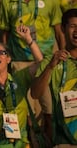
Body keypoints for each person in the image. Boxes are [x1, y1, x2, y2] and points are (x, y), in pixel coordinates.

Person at [0, 25, 44, 147]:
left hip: (21, 144)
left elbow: (41, 63)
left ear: (9, 59)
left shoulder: (19, 78)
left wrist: (28, 40)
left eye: (1, 53)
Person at [31, 8, 77, 146]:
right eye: (73, 26)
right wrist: (51, 66)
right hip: (64, 140)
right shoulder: (52, 61)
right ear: (63, 29)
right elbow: (35, 93)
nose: (76, 31)